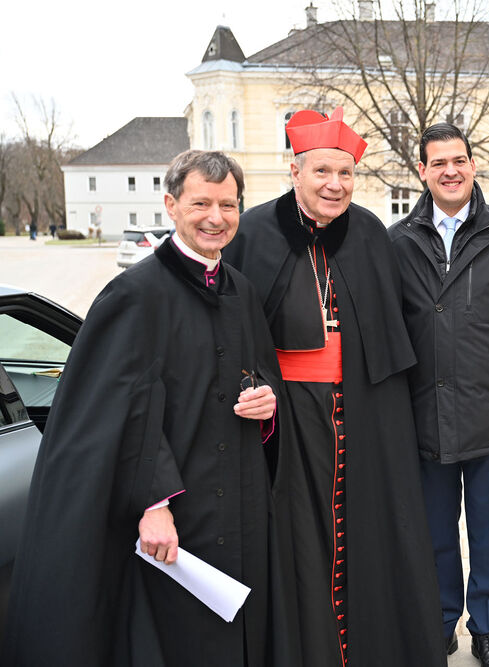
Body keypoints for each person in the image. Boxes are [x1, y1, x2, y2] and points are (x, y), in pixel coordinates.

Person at [1, 150, 285, 667]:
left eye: (228, 205)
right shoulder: (133, 295)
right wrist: (154, 505)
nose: (216, 217)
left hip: (236, 506)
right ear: (171, 205)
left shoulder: (241, 291)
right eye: (201, 203)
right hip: (170, 514)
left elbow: (258, 375)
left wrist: (267, 401)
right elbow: (116, 413)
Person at [223, 108, 446, 667]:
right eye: (322, 171)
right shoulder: (254, 231)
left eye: (345, 173)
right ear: (295, 171)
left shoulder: (369, 231)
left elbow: (392, 328)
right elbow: (234, 335)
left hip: (365, 410)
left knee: (370, 533)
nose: (335, 184)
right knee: (302, 538)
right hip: (290, 419)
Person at [388, 123, 489, 667]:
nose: (450, 171)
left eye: (458, 160)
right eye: (438, 163)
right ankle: (440, 624)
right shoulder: (397, 241)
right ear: (422, 171)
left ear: (473, 164)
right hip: (423, 417)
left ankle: (486, 628)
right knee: (435, 535)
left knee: (488, 536)